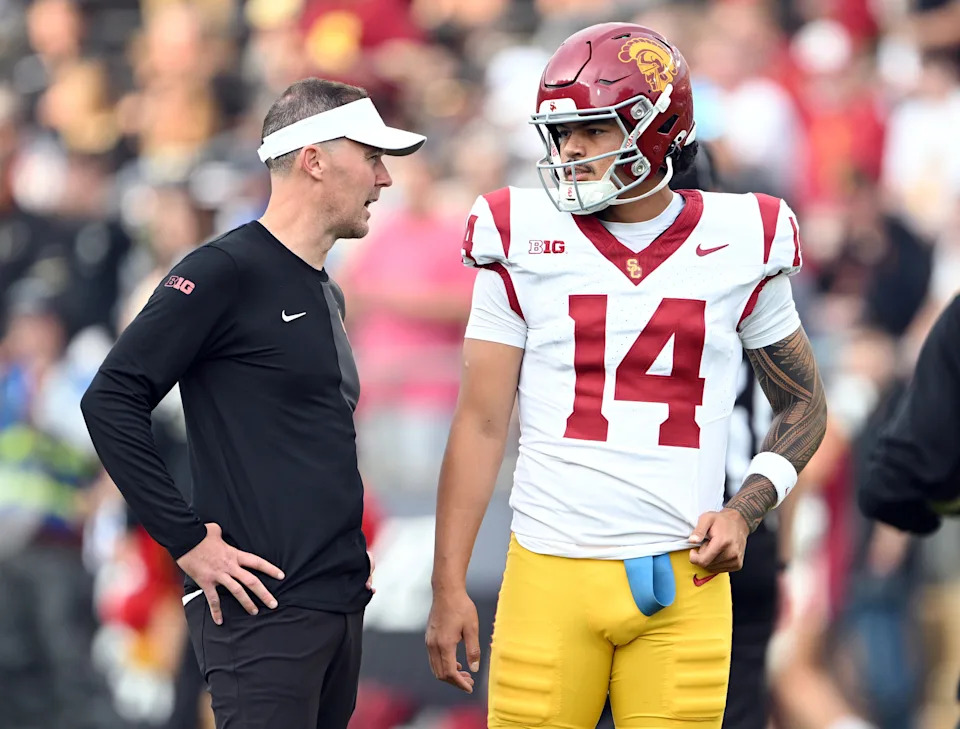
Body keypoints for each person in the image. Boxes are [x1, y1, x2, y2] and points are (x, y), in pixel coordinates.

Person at [424, 23, 828, 729]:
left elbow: (803, 403)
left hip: (685, 577)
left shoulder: (742, 237)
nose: (569, 151)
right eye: (561, 133)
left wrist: (746, 507)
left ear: (656, 128)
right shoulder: (516, 230)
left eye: (591, 129)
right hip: (550, 570)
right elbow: (482, 421)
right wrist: (447, 580)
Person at [80, 77, 425, 729]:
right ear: (314, 159)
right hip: (263, 611)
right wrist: (186, 541)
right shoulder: (222, 270)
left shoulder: (324, 290)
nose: (384, 180)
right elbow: (111, 398)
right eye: (372, 158)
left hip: (334, 604)